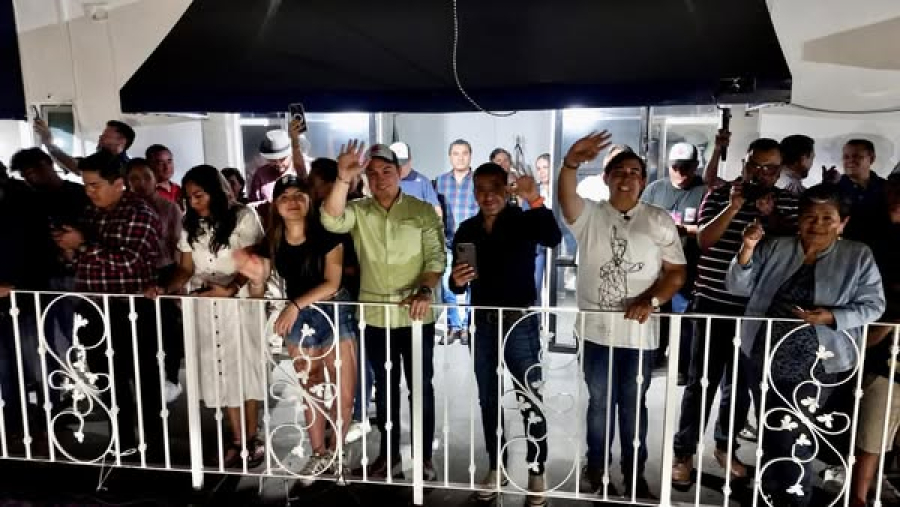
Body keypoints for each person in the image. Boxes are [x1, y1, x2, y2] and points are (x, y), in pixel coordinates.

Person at [726, 184, 885, 506]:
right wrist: (747, 248)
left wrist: (832, 317)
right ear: (799, 220)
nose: (818, 224)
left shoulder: (858, 255)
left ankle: (793, 498)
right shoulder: (777, 247)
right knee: (772, 428)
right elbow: (737, 286)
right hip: (763, 353)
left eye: (828, 218)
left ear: (842, 223)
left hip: (818, 362)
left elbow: (874, 305)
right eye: (811, 217)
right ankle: (772, 493)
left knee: (793, 432)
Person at [558, 132, 687, 499]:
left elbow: (677, 272)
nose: (627, 178)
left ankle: (634, 474)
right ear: (606, 178)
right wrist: (570, 163)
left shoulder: (658, 220)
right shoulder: (590, 216)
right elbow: (566, 198)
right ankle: (597, 469)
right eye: (619, 171)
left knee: (633, 406)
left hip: (640, 335)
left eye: (634, 172)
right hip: (596, 332)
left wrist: (652, 300)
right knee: (600, 404)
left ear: (643, 181)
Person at [671, 138, 799, 487]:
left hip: (755, 309)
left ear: (779, 171)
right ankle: (684, 452)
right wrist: (733, 207)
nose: (761, 173)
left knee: (739, 386)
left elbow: (796, 245)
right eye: (754, 165)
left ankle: (726, 447)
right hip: (712, 301)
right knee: (700, 382)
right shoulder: (719, 193)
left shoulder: (787, 201)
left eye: (770, 168)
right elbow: (704, 241)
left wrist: (771, 217)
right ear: (744, 163)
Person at [321, 141, 445, 480]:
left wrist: (424, 290)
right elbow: (330, 220)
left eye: (386, 171)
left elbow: (436, 258)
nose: (379, 179)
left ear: (400, 172)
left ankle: (423, 457)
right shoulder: (359, 210)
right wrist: (343, 178)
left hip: (416, 315)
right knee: (385, 389)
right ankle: (388, 457)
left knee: (421, 387)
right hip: (376, 316)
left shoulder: (422, 211)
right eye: (372, 173)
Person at [450, 163, 561, 505]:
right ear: (474, 192)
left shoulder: (524, 220)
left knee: (530, 397)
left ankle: (536, 471)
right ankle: (496, 466)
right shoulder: (467, 229)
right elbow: (456, 284)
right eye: (481, 189)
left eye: (495, 188)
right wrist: (456, 280)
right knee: (488, 398)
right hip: (482, 324)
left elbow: (553, 238)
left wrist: (535, 198)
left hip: (519, 323)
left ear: (506, 188)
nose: (488, 196)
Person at [235, 175, 358, 482]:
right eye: (284, 197)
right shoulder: (273, 242)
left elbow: (332, 283)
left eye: (298, 195)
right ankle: (318, 454)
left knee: (343, 391)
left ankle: (338, 453)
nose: (292, 202)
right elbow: (257, 287)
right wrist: (254, 278)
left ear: (309, 200)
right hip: (300, 318)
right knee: (310, 387)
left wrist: (294, 306)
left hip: (334, 311)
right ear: (276, 205)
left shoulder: (327, 234)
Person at [148, 164, 266, 469]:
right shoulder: (190, 224)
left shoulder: (243, 216)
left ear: (216, 191)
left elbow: (253, 259)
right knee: (222, 370)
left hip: (239, 301)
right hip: (206, 303)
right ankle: (237, 438)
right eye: (189, 197)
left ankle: (252, 437)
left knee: (246, 368)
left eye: (199, 195)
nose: (194, 202)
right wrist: (165, 287)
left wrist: (231, 288)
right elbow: (186, 268)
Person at [53, 150, 165, 462]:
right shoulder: (90, 213)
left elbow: (129, 262)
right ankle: (122, 444)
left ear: (118, 183)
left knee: (143, 380)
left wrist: (82, 245)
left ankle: (155, 449)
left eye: (95, 185)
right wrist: (68, 250)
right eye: (86, 185)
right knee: (106, 379)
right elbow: (81, 262)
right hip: (92, 309)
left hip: (132, 309)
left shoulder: (139, 213)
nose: (90, 192)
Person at [306, 157, 370, 443]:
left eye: (316, 183)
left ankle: (356, 414)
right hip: (329, 295)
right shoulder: (316, 214)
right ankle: (335, 416)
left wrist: (341, 269)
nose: (312, 189)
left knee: (355, 359)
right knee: (328, 363)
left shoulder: (351, 208)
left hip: (352, 292)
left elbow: (355, 258)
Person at [850, 175, 900, 507]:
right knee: (871, 426)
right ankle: (858, 494)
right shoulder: (870, 228)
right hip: (878, 339)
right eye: (894, 190)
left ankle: (877, 483)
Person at [640, 143, 707, 381]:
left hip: (688, 266)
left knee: (684, 317)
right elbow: (639, 219)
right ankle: (656, 357)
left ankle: (682, 366)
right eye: (675, 167)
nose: (680, 172)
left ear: (696, 166)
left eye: (686, 167)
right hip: (656, 266)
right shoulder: (655, 189)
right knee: (658, 312)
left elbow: (709, 230)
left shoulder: (704, 191)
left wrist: (683, 229)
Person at [125, 158, 184, 403]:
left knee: (167, 328)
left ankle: (171, 378)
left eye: (146, 177)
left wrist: (178, 284)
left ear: (154, 179)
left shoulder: (169, 208)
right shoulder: (124, 208)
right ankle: (141, 381)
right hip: (134, 275)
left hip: (164, 272)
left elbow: (177, 246)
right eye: (134, 178)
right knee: (140, 330)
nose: (140, 183)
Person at [0, 161, 50, 445]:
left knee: (36, 364)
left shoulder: (24, 208)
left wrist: (18, 286)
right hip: (13, 299)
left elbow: (38, 254)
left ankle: (45, 422)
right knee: (6, 369)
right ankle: (16, 424)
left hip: (27, 299)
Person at [435, 139, 478, 345]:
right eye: (456, 153)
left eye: (464, 153)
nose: (460, 158)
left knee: (472, 285)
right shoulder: (440, 182)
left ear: (470, 156)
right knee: (447, 284)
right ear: (450, 157)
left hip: (473, 243)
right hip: (448, 241)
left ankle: (468, 326)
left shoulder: (478, 181)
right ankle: (454, 326)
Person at [826, 139, 888, 244]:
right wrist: (826, 186)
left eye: (857, 156)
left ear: (872, 159)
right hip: (843, 247)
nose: (850, 161)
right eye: (846, 157)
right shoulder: (833, 187)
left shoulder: (887, 187)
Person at [34, 118, 135, 175]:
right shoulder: (103, 158)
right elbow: (67, 164)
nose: (100, 138)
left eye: (105, 136)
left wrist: (49, 144)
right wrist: (50, 146)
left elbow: (75, 166)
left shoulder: (114, 162)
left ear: (121, 142)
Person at [247, 121, 308, 203]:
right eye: (273, 160)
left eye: (282, 159)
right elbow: (253, 204)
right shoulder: (260, 175)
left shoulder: (303, 171)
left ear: (290, 155)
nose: (278, 164)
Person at [390, 141, 442, 217]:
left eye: (402, 164)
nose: (399, 168)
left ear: (410, 160)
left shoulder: (422, 182)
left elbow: (436, 210)